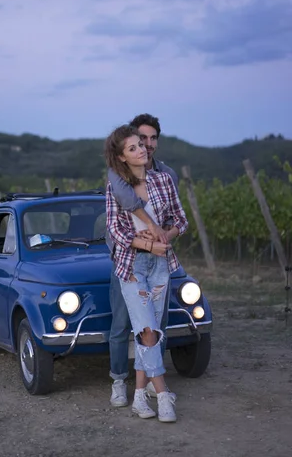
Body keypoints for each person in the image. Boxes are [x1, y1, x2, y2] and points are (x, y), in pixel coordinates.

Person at [105, 124, 188, 422]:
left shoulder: (164, 180)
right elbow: (114, 229)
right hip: (131, 266)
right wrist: (144, 244)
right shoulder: (117, 187)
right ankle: (163, 394)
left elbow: (181, 219)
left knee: (150, 330)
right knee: (147, 329)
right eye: (133, 148)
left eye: (141, 144)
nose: (142, 150)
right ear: (123, 158)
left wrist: (166, 235)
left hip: (161, 266)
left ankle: (140, 397)